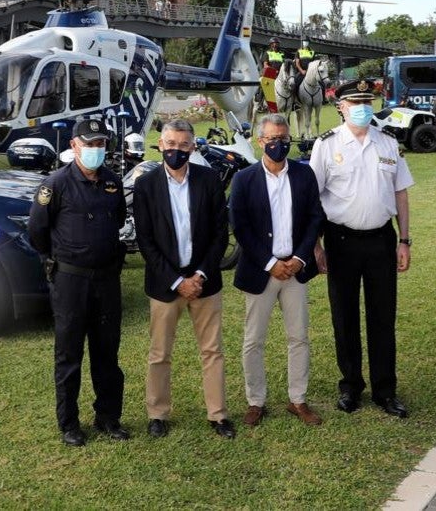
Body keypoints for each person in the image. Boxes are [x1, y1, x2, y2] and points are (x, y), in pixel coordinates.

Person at [310, 79, 414, 418]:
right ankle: (351, 386)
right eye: (354, 102)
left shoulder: (387, 142)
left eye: (367, 101)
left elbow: (400, 193)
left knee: (383, 316)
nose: (362, 107)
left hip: (382, 240)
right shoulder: (326, 145)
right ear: (340, 106)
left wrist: (404, 239)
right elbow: (313, 199)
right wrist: (316, 244)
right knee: (345, 316)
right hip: (340, 240)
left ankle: (386, 390)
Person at [27, 119, 128, 447]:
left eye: (100, 144)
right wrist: (56, 261)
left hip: (107, 281)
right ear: (74, 146)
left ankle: (108, 417)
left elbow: (119, 222)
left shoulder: (112, 183)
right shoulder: (55, 185)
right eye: (89, 144)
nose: (96, 150)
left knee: (107, 352)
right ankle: (69, 423)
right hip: (71, 281)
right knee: (69, 355)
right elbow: (37, 233)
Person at [133, 119, 235, 439]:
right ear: (160, 145)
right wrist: (178, 282)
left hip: (204, 280)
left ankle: (218, 415)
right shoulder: (146, 185)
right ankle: (157, 414)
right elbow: (146, 241)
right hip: (165, 284)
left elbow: (220, 234)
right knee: (160, 353)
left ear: (193, 147)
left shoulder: (209, 180)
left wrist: (200, 275)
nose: (176, 150)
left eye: (183, 145)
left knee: (212, 351)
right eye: (171, 144)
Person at [229, 113, 326, 428]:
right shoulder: (244, 179)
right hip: (261, 271)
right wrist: (270, 263)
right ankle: (255, 401)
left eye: (284, 139)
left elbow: (314, 217)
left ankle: (298, 399)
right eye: (272, 139)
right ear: (260, 141)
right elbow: (240, 227)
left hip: (295, 269)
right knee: (253, 340)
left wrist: (299, 258)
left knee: (298, 337)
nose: (278, 144)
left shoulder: (303, 174)